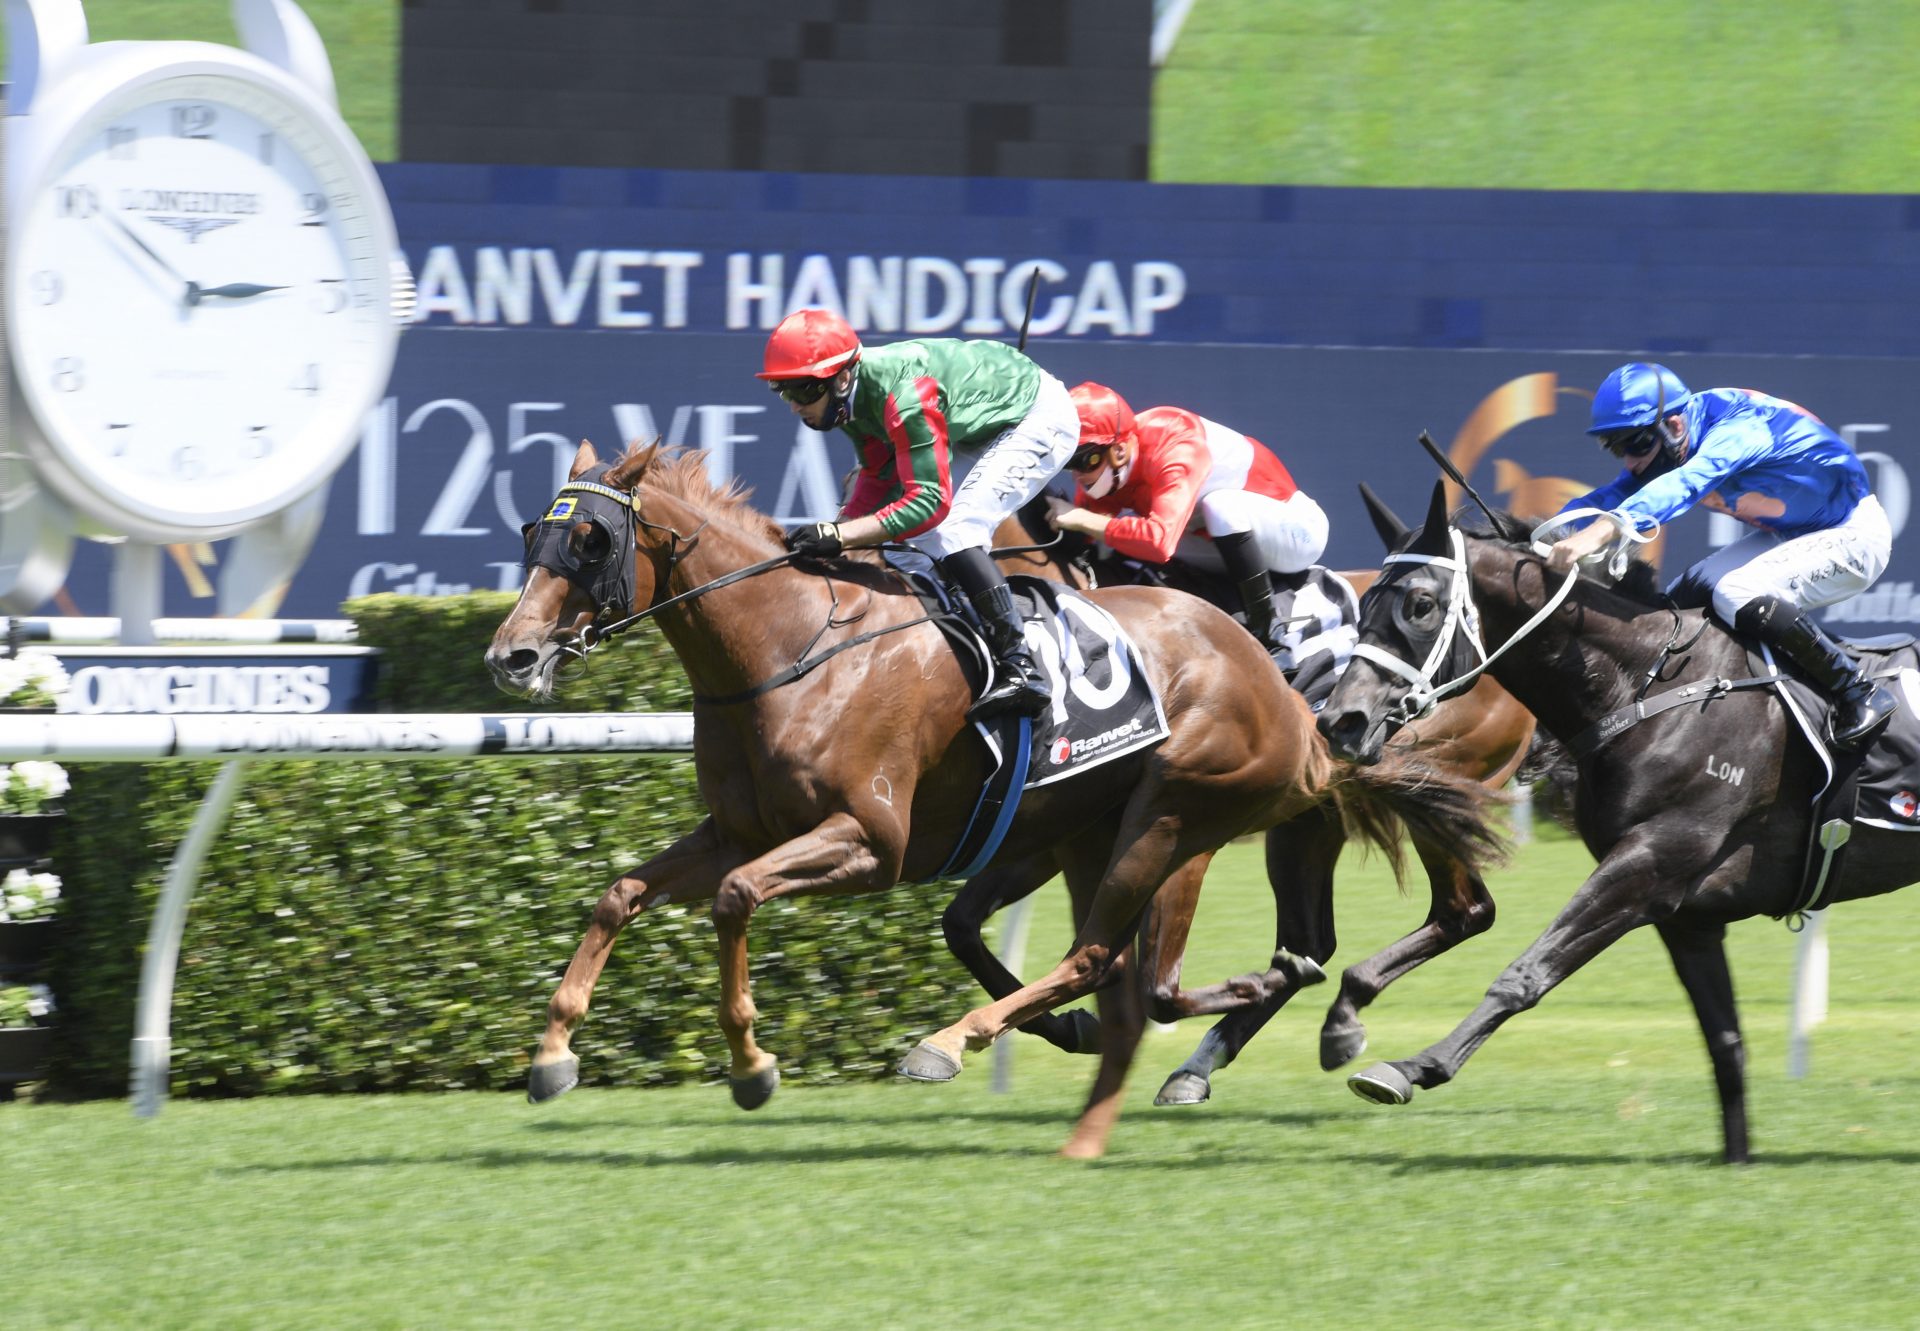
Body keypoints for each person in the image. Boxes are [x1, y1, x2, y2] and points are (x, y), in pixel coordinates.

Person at [1547, 361, 1897, 747]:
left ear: (1675, 425)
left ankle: (1858, 691)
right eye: (1617, 448)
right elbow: (1611, 496)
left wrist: (1601, 531)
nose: (1630, 461)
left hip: (1854, 535)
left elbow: (1688, 481)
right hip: (1793, 534)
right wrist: (1540, 530)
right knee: (1677, 603)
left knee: (1737, 591)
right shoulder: (1669, 440)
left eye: (1635, 444)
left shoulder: (1740, 427)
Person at [758, 308, 1077, 720]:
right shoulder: (849, 398)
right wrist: (838, 529)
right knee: (909, 542)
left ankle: (1021, 666)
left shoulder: (903, 396)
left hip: (1036, 415)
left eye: (801, 391)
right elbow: (879, 473)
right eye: (783, 392)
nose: (794, 406)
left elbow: (928, 503)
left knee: (957, 527)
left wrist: (841, 536)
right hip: (978, 422)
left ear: (840, 379)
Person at [1048, 381, 1338, 665]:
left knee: (1219, 508)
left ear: (1119, 451)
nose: (1077, 475)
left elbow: (1158, 543)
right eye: (1069, 463)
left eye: (1084, 461)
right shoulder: (1113, 466)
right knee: (1113, 540)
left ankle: (1270, 634)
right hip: (1220, 540)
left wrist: (1082, 519)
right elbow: (1087, 533)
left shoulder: (1175, 443)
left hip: (1298, 533)